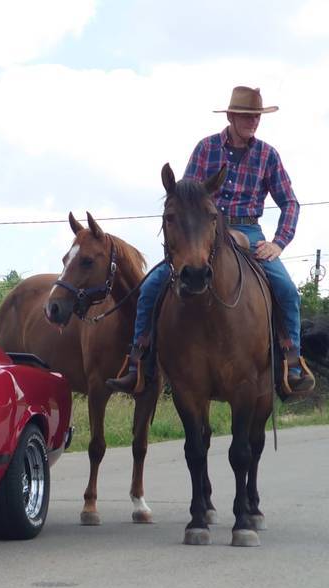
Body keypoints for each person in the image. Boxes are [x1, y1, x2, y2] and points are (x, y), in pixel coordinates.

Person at [107, 85, 313, 395]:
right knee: (150, 286)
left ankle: (291, 364)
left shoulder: (268, 155)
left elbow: (290, 203)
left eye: (256, 116)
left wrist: (278, 243)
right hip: (202, 231)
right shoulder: (206, 149)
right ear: (231, 116)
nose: (253, 121)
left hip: (250, 231)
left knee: (286, 289)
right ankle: (139, 362)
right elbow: (185, 196)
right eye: (246, 116)